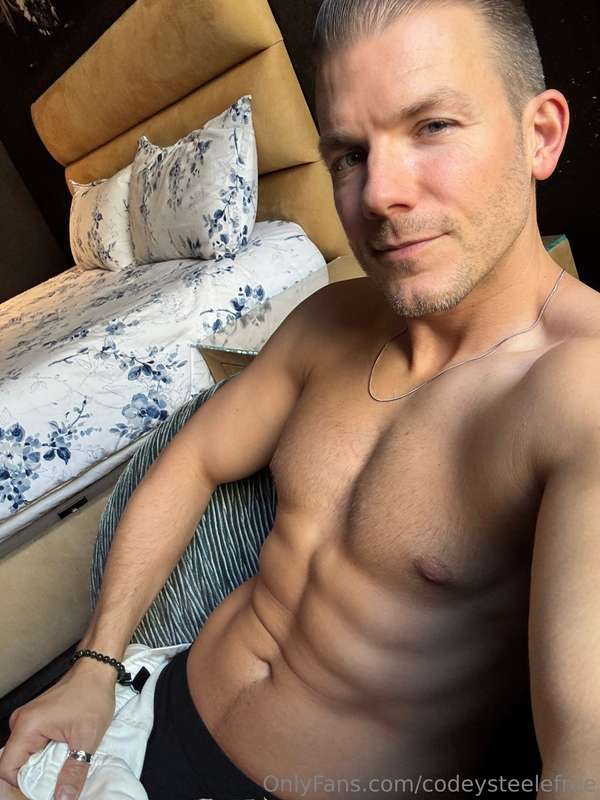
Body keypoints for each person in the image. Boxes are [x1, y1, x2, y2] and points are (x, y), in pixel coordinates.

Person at [2, 0, 599, 798]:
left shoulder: (578, 392)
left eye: (432, 126)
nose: (380, 194)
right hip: (148, 705)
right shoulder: (330, 319)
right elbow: (192, 461)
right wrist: (95, 666)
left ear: (541, 136)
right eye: (349, 153)